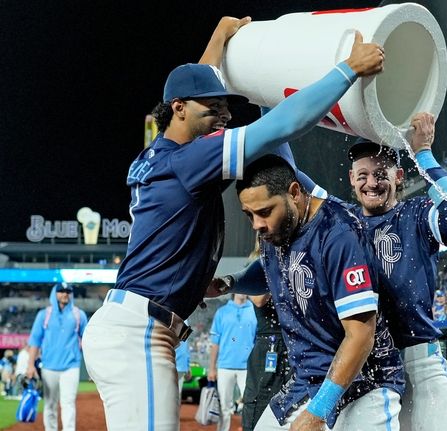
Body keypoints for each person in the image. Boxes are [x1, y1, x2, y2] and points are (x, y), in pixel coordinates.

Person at [80, 16, 386, 430]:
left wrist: (219, 38)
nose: (224, 115)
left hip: (132, 323)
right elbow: (282, 125)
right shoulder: (190, 160)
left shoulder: (159, 152)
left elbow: (194, 86)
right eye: (215, 109)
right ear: (179, 109)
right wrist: (348, 68)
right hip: (139, 334)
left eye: (226, 106)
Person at [220, 155, 404, 430]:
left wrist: (317, 411)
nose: (257, 224)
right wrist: (229, 283)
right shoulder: (278, 228)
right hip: (306, 382)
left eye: (265, 211)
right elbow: (272, 271)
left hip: (365, 382)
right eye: (249, 214)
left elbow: (361, 335)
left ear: (294, 193)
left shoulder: (339, 232)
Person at [339, 113, 447, 430]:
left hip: (419, 361)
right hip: (364, 366)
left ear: (399, 175)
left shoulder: (416, 213)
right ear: (350, 178)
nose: (371, 182)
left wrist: (423, 152)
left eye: (381, 173)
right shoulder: (340, 223)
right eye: (362, 175)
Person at [27, 283, 88, 431]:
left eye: (68, 291)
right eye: (61, 291)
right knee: (50, 405)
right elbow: (35, 341)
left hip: (71, 367)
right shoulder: (44, 314)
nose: (65, 294)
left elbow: (87, 341)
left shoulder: (79, 314)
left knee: (68, 404)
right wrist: (30, 366)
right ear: (54, 293)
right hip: (48, 366)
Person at [240, 291, 289, 431]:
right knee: (260, 398)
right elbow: (259, 299)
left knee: (291, 400)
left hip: (295, 344)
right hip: (269, 344)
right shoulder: (261, 271)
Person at [208, 294, 257, 431]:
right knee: (224, 406)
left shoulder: (254, 310)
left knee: (249, 404)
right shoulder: (222, 312)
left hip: (248, 367)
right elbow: (215, 343)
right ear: (234, 291)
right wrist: (212, 368)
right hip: (224, 366)